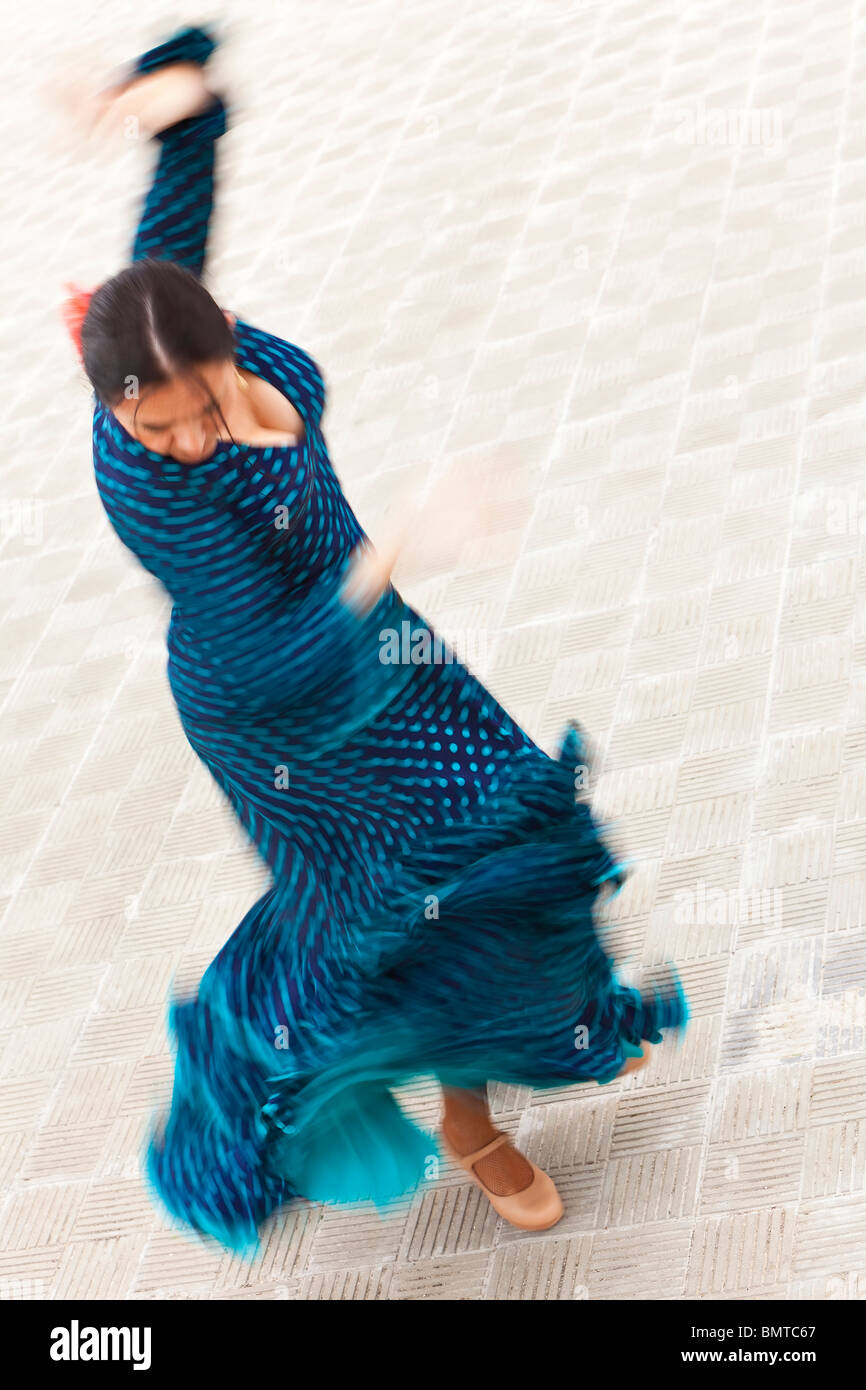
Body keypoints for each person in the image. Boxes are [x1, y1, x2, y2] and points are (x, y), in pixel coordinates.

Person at [61, 23, 689, 1256]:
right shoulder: (154, 493)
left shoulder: (159, 312)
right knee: (404, 909)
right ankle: (461, 1120)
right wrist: (404, 538)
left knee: (512, 838)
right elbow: (275, 649)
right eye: (157, 427)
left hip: (389, 657)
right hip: (281, 706)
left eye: (196, 410)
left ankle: (476, 1093)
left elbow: (184, 160)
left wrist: (167, 89)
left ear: (217, 337)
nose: (184, 439)